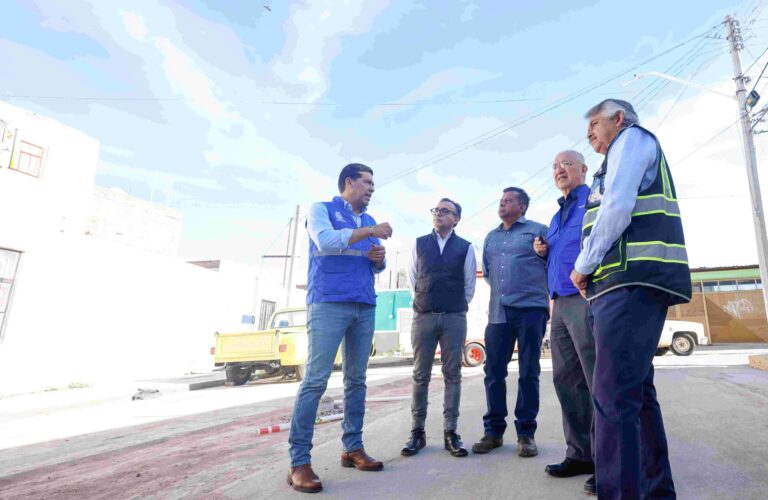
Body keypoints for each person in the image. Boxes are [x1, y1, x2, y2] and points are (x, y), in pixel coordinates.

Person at [571, 99, 691, 499]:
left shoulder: (632, 140)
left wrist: (583, 266)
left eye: (594, 123)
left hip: (628, 284)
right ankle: (656, 491)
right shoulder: (615, 157)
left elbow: (618, 207)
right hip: (620, 286)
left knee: (613, 398)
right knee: (636, 395)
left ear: (618, 118)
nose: (589, 133)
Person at [287, 163, 393, 494]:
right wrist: (371, 232)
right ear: (349, 182)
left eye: (373, 183)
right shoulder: (321, 210)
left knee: (356, 380)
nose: (372, 188)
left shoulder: (368, 220)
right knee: (316, 380)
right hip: (329, 302)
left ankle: (352, 447)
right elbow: (326, 242)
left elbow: (375, 264)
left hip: (364, 303)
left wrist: (379, 259)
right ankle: (299, 462)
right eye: (367, 182)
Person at [533, 150, 597, 492]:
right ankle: (580, 453)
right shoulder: (556, 215)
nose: (559, 170)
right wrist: (544, 253)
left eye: (566, 164)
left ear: (584, 169)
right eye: (555, 166)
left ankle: (608, 458)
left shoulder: (594, 200)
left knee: (595, 378)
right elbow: (562, 254)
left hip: (586, 297)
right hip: (558, 302)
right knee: (567, 380)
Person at [472, 187, 549, 458]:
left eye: (508, 200)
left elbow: (550, 262)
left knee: (528, 371)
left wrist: (541, 255)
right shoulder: (491, 237)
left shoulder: (538, 230)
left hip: (531, 310)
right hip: (498, 312)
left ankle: (526, 434)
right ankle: (493, 432)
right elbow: (488, 274)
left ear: (522, 206)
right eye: (501, 200)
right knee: (493, 372)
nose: (502, 203)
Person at [401, 198, 477, 458]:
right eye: (436, 210)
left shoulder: (465, 247)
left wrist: (453, 305)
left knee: (452, 374)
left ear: (456, 219)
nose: (438, 214)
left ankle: (450, 432)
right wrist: (425, 301)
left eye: (445, 211)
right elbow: (413, 279)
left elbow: (469, 285)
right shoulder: (419, 243)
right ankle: (417, 432)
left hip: (454, 318)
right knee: (420, 375)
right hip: (423, 317)